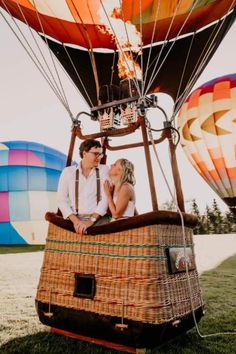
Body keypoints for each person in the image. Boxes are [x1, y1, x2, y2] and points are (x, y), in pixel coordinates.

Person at [57, 139, 110, 234]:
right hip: (75, 220)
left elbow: (106, 198)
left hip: (99, 220)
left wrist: (90, 221)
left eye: (100, 154)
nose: (99, 157)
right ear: (84, 154)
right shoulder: (68, 172)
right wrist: (76, 222)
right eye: (95, 154)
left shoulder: (104, 170)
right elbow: (61, 200)